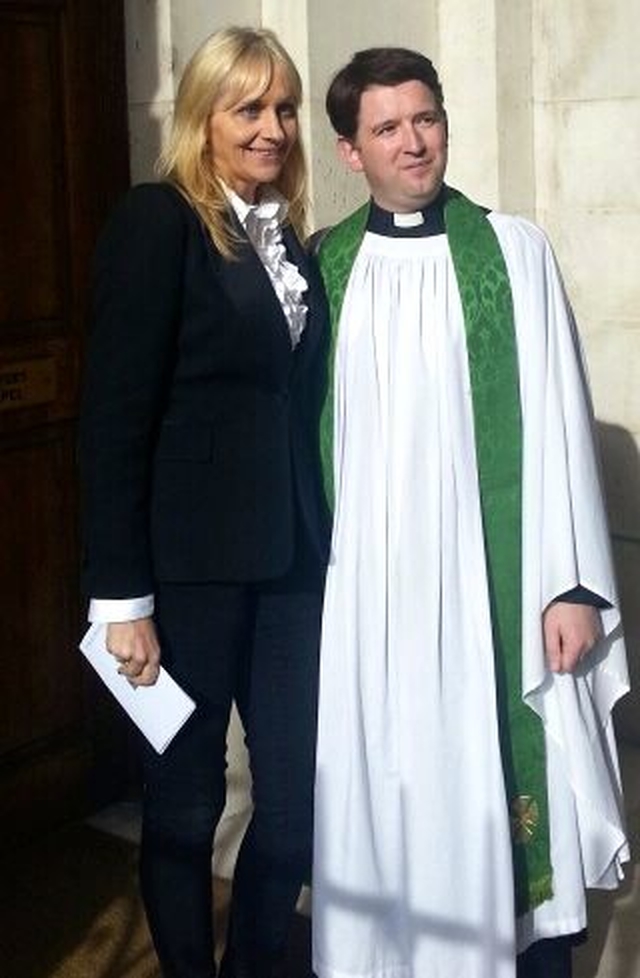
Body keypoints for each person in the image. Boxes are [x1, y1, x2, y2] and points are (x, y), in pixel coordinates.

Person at [311, 47, 629, 978]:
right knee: (392, 785)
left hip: (496, 580)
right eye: (387, 127)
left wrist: (570, 586)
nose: (414, 142)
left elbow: (564, 419)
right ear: (348, 152)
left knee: (501, 770)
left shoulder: (513, 251)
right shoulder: (325, 270)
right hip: (371, 595)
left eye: (427, 118)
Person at [79, 26, 330, 978]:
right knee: (185, 808)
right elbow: (112, 418)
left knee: (296, 802)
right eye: (249, 108)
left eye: (285, 108)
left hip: (291, 567)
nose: (272, 128)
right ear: (203, 118)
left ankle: (255, 963)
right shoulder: (160, 221)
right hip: (184, 576)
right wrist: (119, 598)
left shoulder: (291, 240)